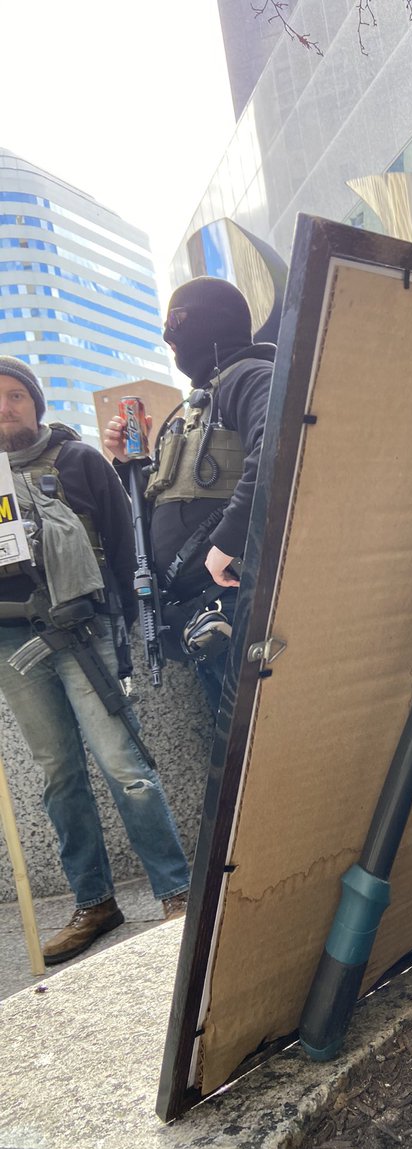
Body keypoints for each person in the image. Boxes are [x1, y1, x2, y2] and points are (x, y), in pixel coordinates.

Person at [0, 357, 191, 965]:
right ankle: (94, 901)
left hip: (87, 632)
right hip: (11, 643)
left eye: (14, 397)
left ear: (36, 403)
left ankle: (177, 890)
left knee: (123, 763)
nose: (5, 409)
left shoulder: (79, 461)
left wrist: (128, 628)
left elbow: (128, 545)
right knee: (58, 775)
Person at [103, 277, 276, 710]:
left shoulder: (251, 376)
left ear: (211, 321)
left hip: (241, 598)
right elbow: (162, 507)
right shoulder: (196, 408)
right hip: (202, 613)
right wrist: (130, 463)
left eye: (176, 323)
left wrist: (227, 541)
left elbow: (280, 444)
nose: (169, 338)